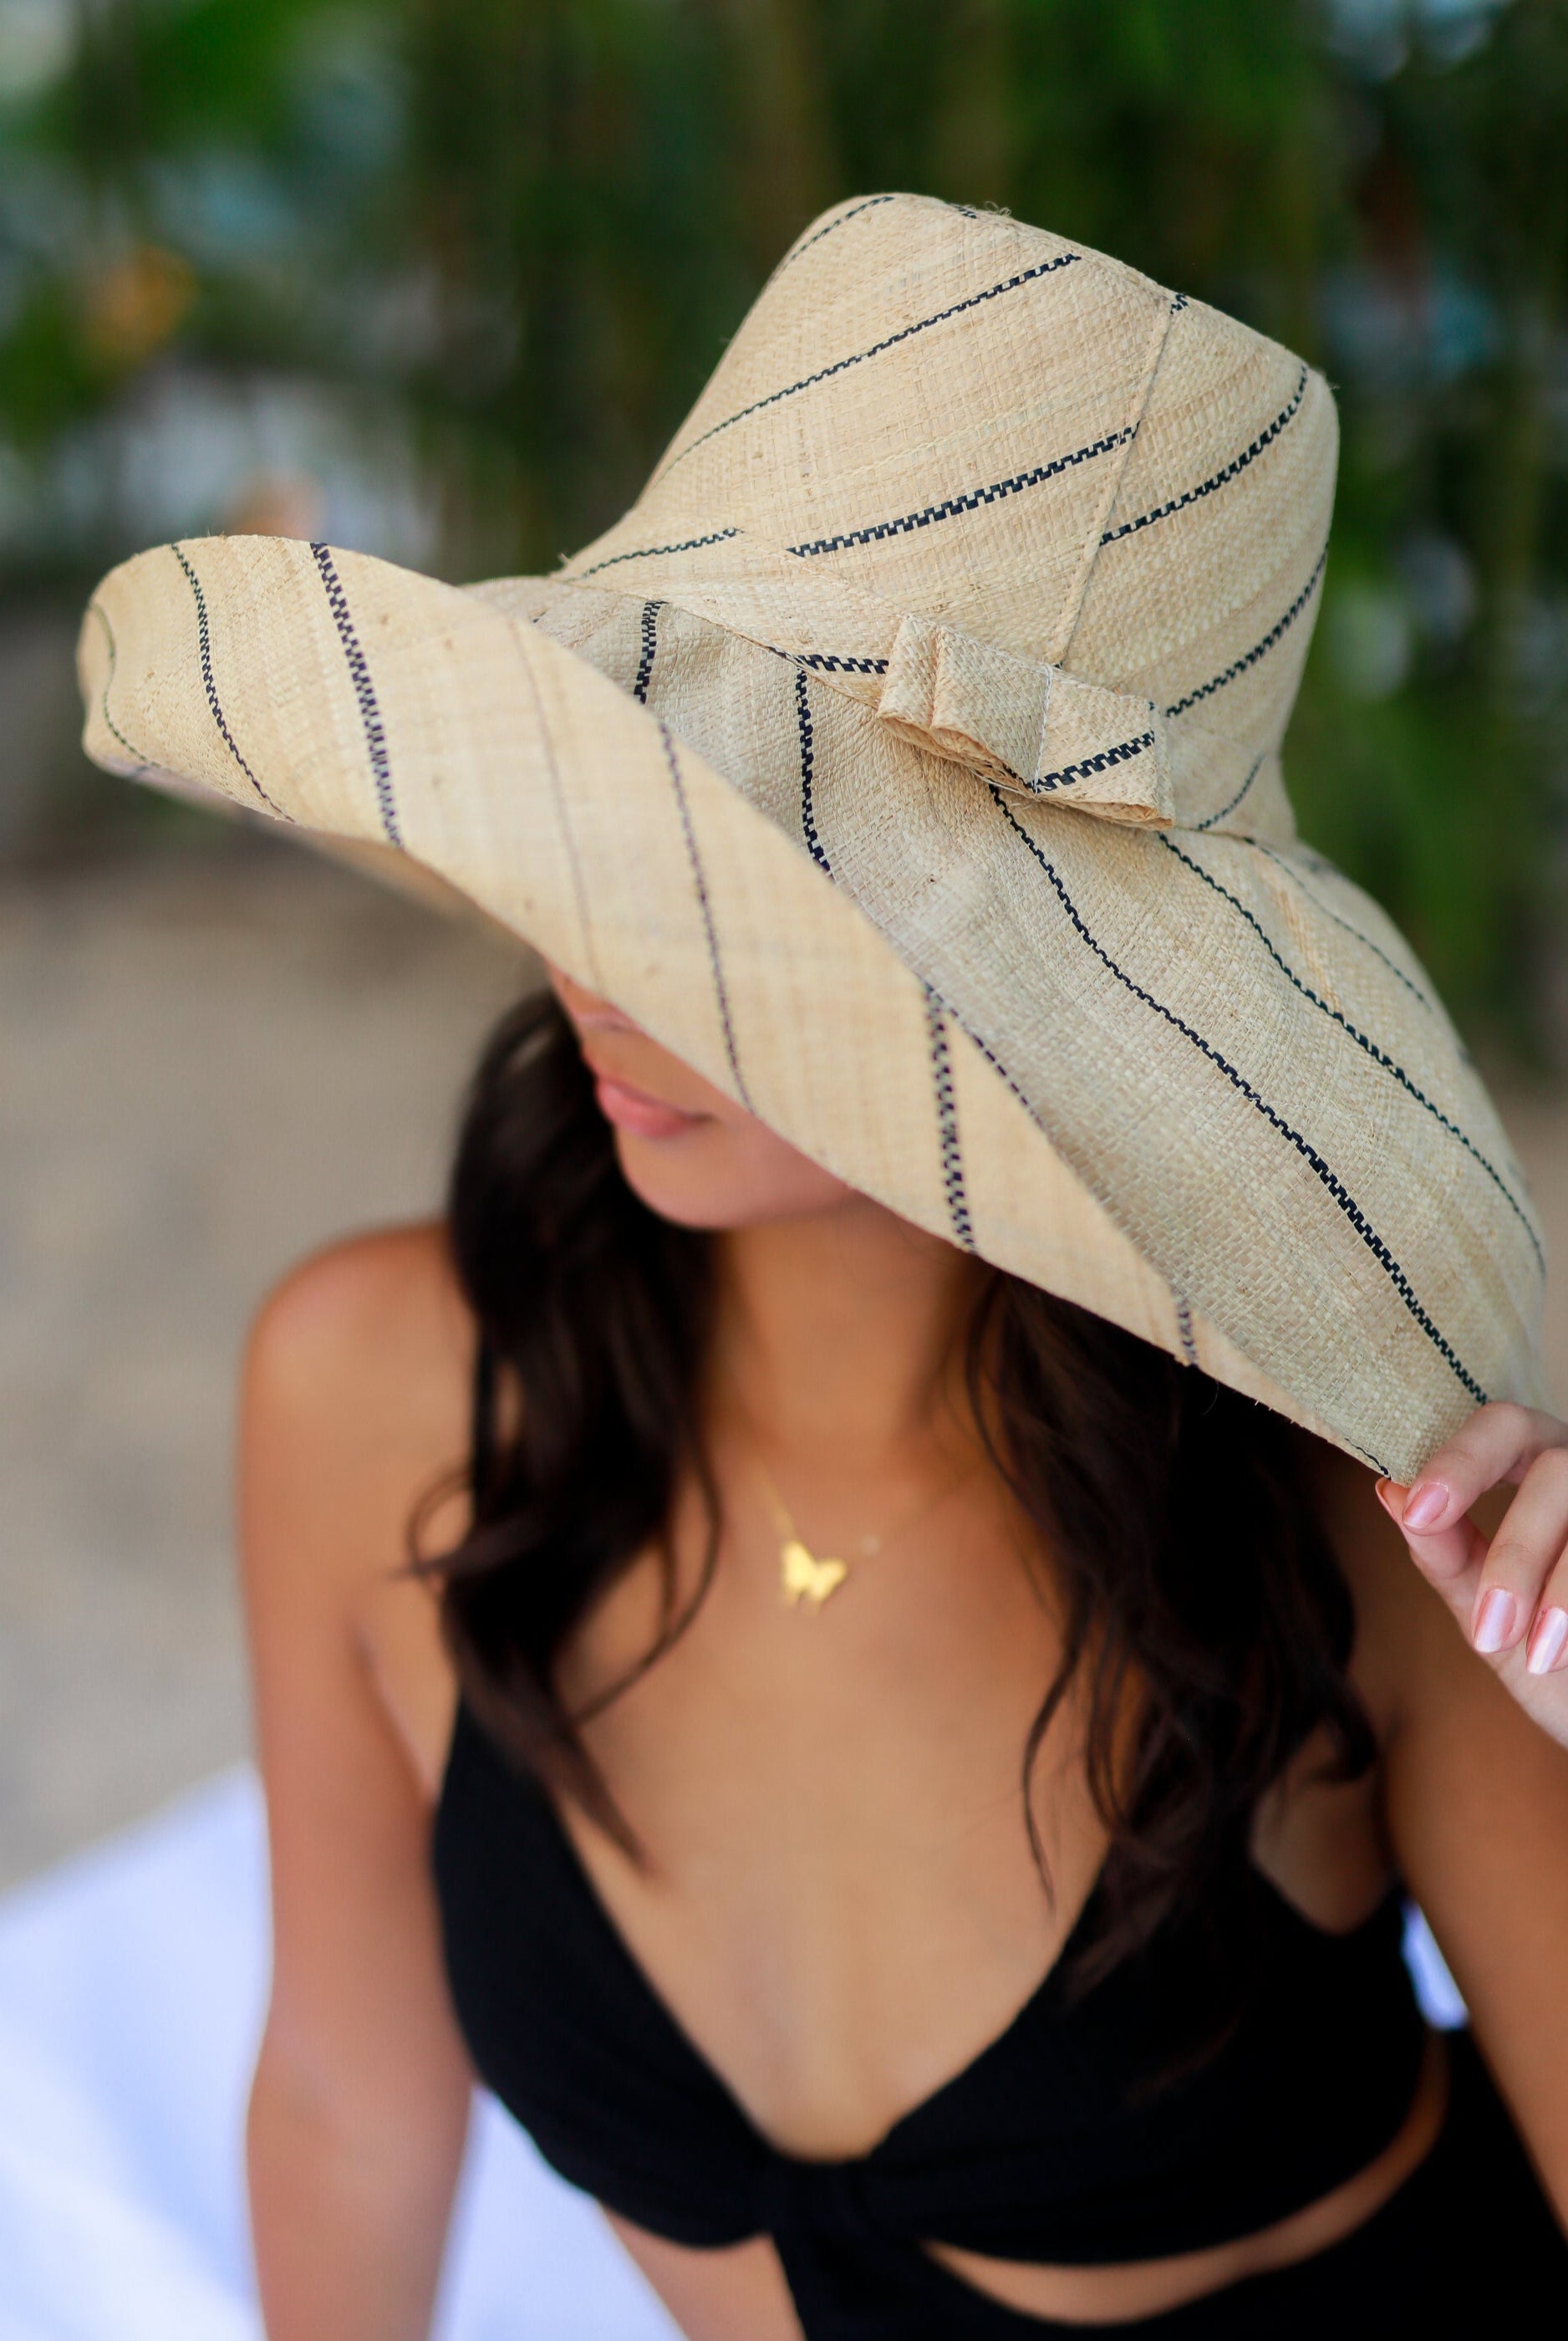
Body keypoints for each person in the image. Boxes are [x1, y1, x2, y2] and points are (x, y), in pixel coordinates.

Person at [79, 194, 1568, 2338]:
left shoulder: (1365, 1506)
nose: (609, 957)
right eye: (627, 830)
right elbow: (340, 2097)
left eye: (745, 890)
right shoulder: (366, 1385)